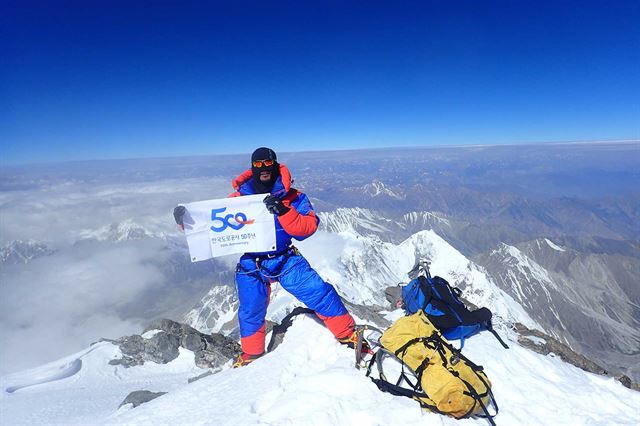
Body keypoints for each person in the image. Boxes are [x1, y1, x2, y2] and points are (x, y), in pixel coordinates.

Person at [174, 147, 360, 367]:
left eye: (267, 163)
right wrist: (185, 221)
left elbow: (307, 228)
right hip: (252, 262)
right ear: (253, 166)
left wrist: (283, 211)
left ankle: (347, 333)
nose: (263, 168)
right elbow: (214, 226)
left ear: (275, 164)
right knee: (251, 308)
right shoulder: (237, 199)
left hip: (285, 258)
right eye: (258, 164)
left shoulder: (294, 197)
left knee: (318, 292)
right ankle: (252, 353)